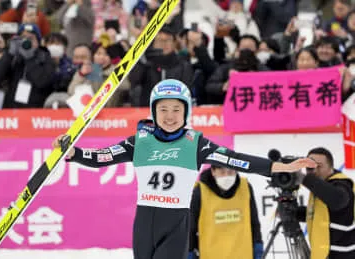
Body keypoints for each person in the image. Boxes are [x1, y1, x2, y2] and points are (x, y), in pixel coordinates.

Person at [53, 79, 316, 259]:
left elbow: (238, 160)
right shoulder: (140, 140)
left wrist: (280, 166)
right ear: (154, 111)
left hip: (176, 221)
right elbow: (103, 157)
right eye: (163, 109)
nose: (169, 115)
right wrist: (74, 153)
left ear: (186, 111)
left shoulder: (197, 144)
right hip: (144, 221)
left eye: (176, 109)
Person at [189, 165, 263, 259]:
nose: (226, 176)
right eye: (222, 172)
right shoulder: (199, 191)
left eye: (230, 172)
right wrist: (189, 250)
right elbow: (191, 227)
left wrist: (258, 245)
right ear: (213, 171)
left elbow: (254, 222)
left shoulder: (245, 187)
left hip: (243, 255)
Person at [296, 147, 355, 259]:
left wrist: (304, 179)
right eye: (310, 167)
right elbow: (325, 216)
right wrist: (295, 213)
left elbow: (337, 200)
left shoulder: (342, 184)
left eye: (319, 166)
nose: (315, 170)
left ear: (330, 167)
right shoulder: (322, 187)